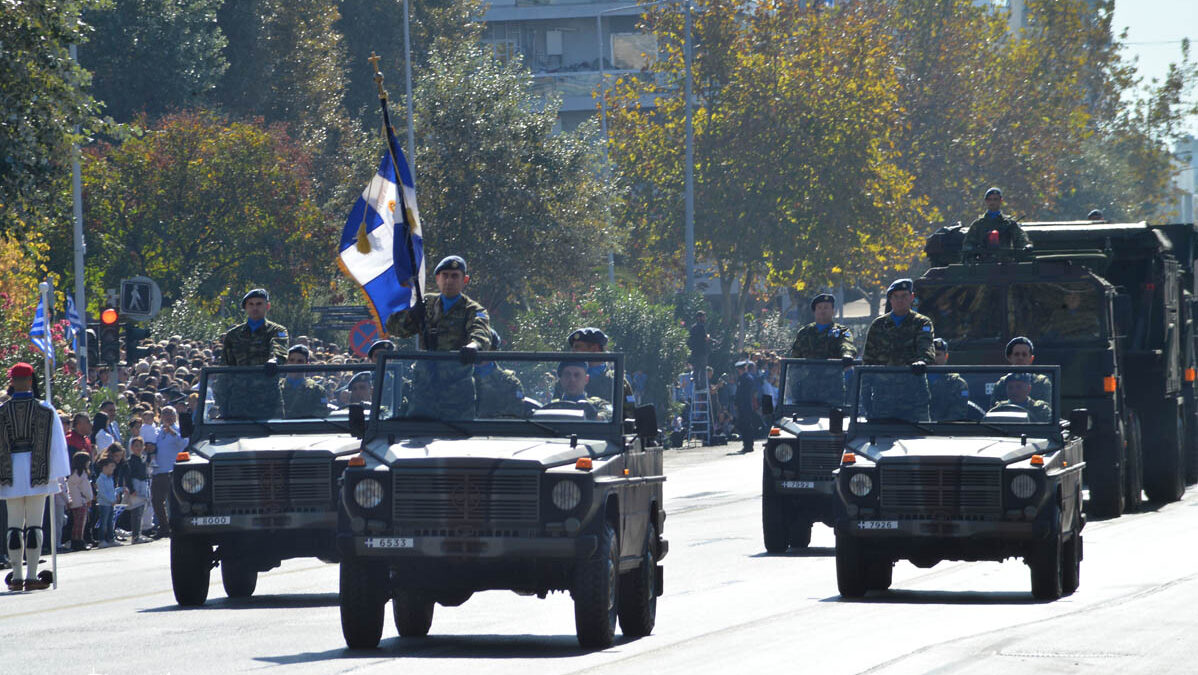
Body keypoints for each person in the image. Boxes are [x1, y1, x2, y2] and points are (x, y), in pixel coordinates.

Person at [385, 255, 491, 419]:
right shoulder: (426, 303)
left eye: (455, 276)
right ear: (437, 279)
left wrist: (474, 346)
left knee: (458, 440)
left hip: (456, 392)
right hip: (424, 389)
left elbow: (481, 333)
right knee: (417, 437)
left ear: (465, 280)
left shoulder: (473, 309)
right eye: (445, 275)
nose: (449, 280)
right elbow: (396, 329)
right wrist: (411, 315)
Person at [1, 363, 70, 590]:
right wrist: (58, 474)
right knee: (34, 525)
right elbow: (57, 446)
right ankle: (31, 576)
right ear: (31, 381)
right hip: (37, 470)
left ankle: (18, 576)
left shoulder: (2, 411)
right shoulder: (46, 409)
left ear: (12, 382)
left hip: (9, 471)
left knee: (14, 525)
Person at [862, 279, 936, 421]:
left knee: (919, 439)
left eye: (904, 296)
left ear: (912, 297)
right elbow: (868, 362)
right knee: (881, 440)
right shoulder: (878, 325)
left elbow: (926, 347)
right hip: (883, 397)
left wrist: (922, 361)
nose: (900, 300)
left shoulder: (922, 322)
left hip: (913, 397)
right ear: (890, 299)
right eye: (896, 296)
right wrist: (865, 397)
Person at [216, 288, 288, 419]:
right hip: (238, 401)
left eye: (259, 304)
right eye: (251, 304)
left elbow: (279, 349)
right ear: (246, 308)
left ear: (267, 306)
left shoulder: (276, 331)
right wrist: (221, 402)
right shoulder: (233, 335)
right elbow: (225, 370)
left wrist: (274, 360)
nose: (255, 308)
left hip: (267, 400)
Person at [789, 293, 856, 406]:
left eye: (826, 307)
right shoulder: (805, 332)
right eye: (819, 308)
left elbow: (847, 344)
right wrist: (794, 388)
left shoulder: (841, 331)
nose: (822, 311)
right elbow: (794, 361)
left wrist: (847, 354)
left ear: (833, 311)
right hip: (807, 392)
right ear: (814, 311)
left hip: (832, 391)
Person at [566, 327, 637, 415]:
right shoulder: (567, 377)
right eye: (572, 348)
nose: (573, 352)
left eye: (577, 347)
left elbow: (629, 411)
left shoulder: (616, 380)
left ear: (594, 349)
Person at [960, 187, 1033, 260]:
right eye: (989, 199)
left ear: (1001, 201)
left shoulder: (1009, 223)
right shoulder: (978, 224)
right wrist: (970, 251)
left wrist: (1026, 245)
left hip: (1005, 263)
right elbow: (968, 243)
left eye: (995, 199)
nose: (992, 202)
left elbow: (1020, 238)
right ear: (986, 201)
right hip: (983, 264)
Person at [149, 406, 186, 539]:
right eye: (164, 414)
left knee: (175, 502)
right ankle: (164, 527)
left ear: (175, 416)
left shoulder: (178, 430)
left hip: (172, 471)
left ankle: (177, 526)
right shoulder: (158, 432)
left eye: (170, 414)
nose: (167, 416)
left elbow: (183, 443)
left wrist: (172, 432)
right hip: (158, 471)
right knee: (156, 501)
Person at [990, 337, 1052, 408]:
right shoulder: (1001, 384)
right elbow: (994, 413)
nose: (1020, 358)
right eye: (1016, 354)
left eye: (1024, 354)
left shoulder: (1042, 383)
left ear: (1031, 359)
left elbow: (1047, 414)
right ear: (1010, 358)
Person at [475, 330, 525, 419]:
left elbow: (514, 418)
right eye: (478, 348)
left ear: (494, 350)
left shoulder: (510, 383)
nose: (480, 351)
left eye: (484, 348)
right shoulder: (458, 378)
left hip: (496, 431)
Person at [546, 361, 611, 421]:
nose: (572, 379)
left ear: (586, 379)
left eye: (577, 375)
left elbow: (610, 415)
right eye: (567, 375)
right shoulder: (552, 406)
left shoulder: (597, 404)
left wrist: (595, 416)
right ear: (561, 380)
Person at [928, 338, 972, 421]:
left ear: (946, 356)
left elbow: (958, 414)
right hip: (920, 429)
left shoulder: (958, 384)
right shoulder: (919, 380)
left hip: (946, 430)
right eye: (931, 355)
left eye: (937, 355)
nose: (934, 359)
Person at [282, 345, 330, 418]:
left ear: (307, 364)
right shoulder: (275, 387)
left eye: (300, 361)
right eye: (291, 360)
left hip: (305, 428)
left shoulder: (317, 390)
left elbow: (321, 414)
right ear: (286, 363)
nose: (295, 364)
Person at [125, 437, 151, 544]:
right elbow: (128, 476)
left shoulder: (143, 459)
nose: (138, 448)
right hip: (135, 486)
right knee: (136, 512)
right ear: (131, 447)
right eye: (136, 446)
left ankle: (138, 534)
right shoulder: (130, 461)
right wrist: (131, 489)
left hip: (143, 485)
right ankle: (135, 536)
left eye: (140, 445)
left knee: (141, 511)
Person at [66, 452, 93, 552]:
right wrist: (89, 498)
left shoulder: (73, 474)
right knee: (80, 523)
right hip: (80, 502)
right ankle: (79, 541)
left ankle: (75, 541)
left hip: (73, 501)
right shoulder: (82, 475)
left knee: (76, 523)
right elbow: (86, 489)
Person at [93, 458, 121, 548]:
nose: (113, 469)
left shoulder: (110, 479)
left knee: (110, 522)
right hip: (104, 504)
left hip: (110, 504)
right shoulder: (100, 480)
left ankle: (111, 539)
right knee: (103, 523)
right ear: (104, 467)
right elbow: (102, 493)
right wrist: (111, 500)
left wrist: (119, 491)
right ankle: (101, 540)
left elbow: (112, 491)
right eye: (111, 467)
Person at [734, 361, 757, 453]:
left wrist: (738, 403)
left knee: (746, 425)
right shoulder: (743, 378)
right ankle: (747, 444)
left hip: (745, 405)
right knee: (744, 425)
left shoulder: (746, 378)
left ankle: (748, 445)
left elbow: (743, 394)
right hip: (743, 405)